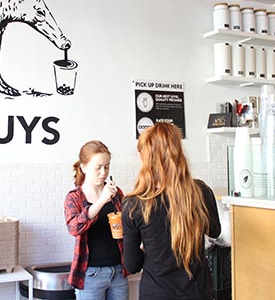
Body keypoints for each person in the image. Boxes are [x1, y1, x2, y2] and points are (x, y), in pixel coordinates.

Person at [122, 123, 221, 300]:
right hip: (198, 292)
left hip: (157, 293)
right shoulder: (201, 191)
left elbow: (132, 265)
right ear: (178, 152)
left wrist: (151, 246)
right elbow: (214, 231)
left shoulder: (134, 205)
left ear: (145, 158)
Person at [64, 140, 129, 300]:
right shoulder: (74, 197)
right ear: (84, 167)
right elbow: (74, 228)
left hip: (118, 271)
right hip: (91, 274)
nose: (103, 173)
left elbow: (127, 224)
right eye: (98, 167)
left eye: (106, 167)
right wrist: (101, 201)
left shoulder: (116, 193)